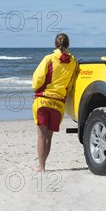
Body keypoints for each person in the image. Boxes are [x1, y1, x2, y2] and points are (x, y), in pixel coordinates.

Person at [32, 33, 77, 172]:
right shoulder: (73, 62)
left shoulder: (49, 58)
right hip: (58, 103)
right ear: (68, 44)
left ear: (55, 44)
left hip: (43, 100)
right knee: (49, 137)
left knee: (41, 136)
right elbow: (70, 83)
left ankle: (41, 167)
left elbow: (37, 79)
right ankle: (43, 164)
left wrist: (36, 87)